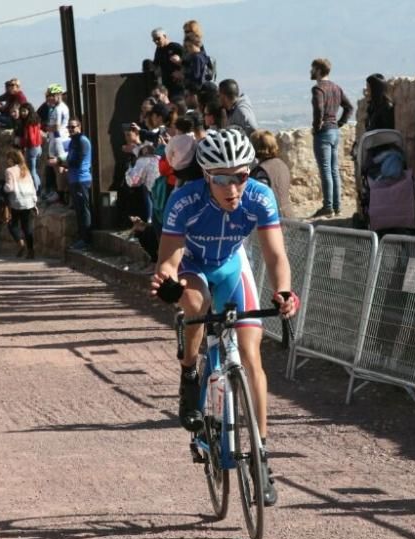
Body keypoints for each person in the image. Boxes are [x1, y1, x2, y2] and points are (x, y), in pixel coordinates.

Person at [149, 129, 300, 505]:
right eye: (220, 179)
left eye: (240, 176)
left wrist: (283, 292)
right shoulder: (185, 201)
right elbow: (168, 259)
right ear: (205, 176)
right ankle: (189, 374)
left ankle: (262, 457)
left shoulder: (259, 198)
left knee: (251, 355)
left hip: (233, 266)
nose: (232, 188)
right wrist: (168, 282)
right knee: (196, 306)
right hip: (195, 266)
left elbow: (276, 256)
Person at [309, 58, 353, 218]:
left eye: (313, 69)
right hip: (335, 132)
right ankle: (337, 206)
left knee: (326, 169)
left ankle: (328, 206)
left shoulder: (318, 89)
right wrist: (340, 123)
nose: (310, 72)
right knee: (334, 170)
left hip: (324, 133)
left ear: (319, 71)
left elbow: (319, 110)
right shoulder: (336, 88)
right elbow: (349, 107)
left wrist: (316, 127)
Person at [64, 119, 93, 249]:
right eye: (69, 127)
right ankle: (81, 237)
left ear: (79, 127)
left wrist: (60, 162)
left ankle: (86, 240)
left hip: (82, 179)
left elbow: (77, 162)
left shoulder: (82, 141)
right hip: (73, 179)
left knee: (83, 210)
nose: (70, 129)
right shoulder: (73, 142)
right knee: (78, 210)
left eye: (73, 127)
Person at [4, 149, 39, 259]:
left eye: (8, 158)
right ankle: (31, 250)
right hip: (28, 202)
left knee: (12, 225)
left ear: (12, 159)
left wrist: (2, 187)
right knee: (27, 228)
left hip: (16, 201)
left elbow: (10, 187)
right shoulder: (26, 170)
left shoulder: (9, 170)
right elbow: (32, 186)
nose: (7, 161)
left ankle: (20, 243)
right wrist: (34, 202)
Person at [250, 130, 293, 218]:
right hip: (289, 216)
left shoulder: (261, 171)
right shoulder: (282, 164)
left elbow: (259, 199)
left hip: (272, 220)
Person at [17, 102, 43, 192]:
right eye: (21, 111)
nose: (22, 113)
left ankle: (36, 190)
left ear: (29, 111)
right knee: (35, 170)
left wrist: (24, 146)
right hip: (38, 147)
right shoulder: (35, 120)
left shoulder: (28, 123)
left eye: (24, 111)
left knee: (32, 171)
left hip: (32, 148)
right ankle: (39, 188)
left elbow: (30, 138)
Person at [151, 28, 184, 96]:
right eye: (154, 40)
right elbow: (156, 64)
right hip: (167, 86)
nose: (156, 42)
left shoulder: (175, 47)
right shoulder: (159, 50)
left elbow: (190, 62)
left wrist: (181, 72)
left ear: (165, 36)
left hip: (179, 85)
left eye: (158, 39)